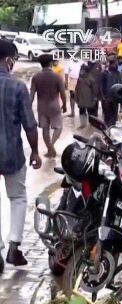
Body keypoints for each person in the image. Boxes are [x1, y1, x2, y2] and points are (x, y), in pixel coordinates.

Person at [0, 39, 42, 273]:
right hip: (12, 154)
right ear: (8, 60)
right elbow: (30, 125)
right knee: (17, 197)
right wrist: (35, 151)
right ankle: (14, 245)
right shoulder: (17, 87)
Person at [31, 54, 67, 158]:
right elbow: (63, 93)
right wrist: (64, 105)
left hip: (42, 107)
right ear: (51, 63)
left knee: (45, 129)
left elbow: (31, 95)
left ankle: (50, 150)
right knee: (58, 128)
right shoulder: (57, 77)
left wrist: (27, 108)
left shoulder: (36, 77)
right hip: (54, 105)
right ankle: (51, 147)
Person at [100, 56, 122, 126]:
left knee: (114, 117)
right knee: (107, 117)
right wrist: (103, 97)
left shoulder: (119, 74)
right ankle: (107, 131)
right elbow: (101, 86)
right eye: (113, 63)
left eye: (115, 63)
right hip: (106, 99)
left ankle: (112, 130)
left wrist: (121, 98)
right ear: (110, 64)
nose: (115, 65)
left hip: (115, 99)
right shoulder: (104, 73)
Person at [75, 64, 99, 129]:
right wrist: (76, 98)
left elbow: (94, 89)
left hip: (89, 99)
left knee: (90, 113)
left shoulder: (90, 79)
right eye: (81, 70)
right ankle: (83, 124)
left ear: (86, 71)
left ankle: (92, 125)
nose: (81, 71)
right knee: (81, 111)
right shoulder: (79, 79)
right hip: (81, 99)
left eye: (83, 70)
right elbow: (76, 89)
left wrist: (94, 98)